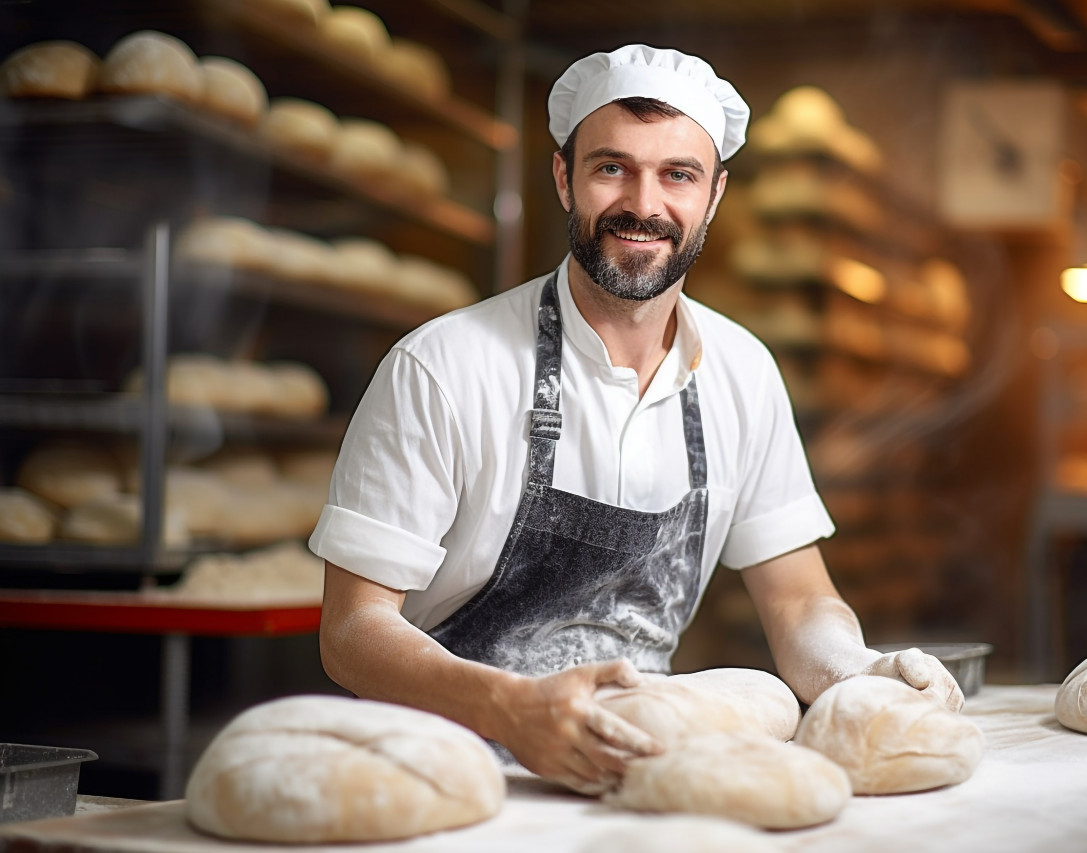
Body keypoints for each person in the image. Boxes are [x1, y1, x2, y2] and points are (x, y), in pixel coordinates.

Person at [310, 44, 962, 793]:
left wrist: (861, 669)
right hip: (443, 774)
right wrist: (509, 706)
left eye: (677, 175)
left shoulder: (743, 373)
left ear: (714, 194)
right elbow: (353, 631)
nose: (644, 205)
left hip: (631, 775)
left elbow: (799, 599)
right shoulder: (445, 365)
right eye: (611, 167)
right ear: (564, 178)